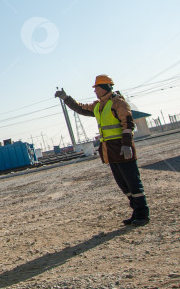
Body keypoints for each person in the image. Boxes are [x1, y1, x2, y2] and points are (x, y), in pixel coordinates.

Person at [55, 75, 150, 226]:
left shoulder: (118, 103)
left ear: (106, 87)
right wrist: (66, 98)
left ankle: (143, 214)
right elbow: (81, 108)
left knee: (133, 182)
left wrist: (126, 144)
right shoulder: (99, 106)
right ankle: (136, 212)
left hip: (122, 148)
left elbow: (128, 124)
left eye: (97, 88)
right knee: (123, 184)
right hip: (110, 151)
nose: (95, 91)